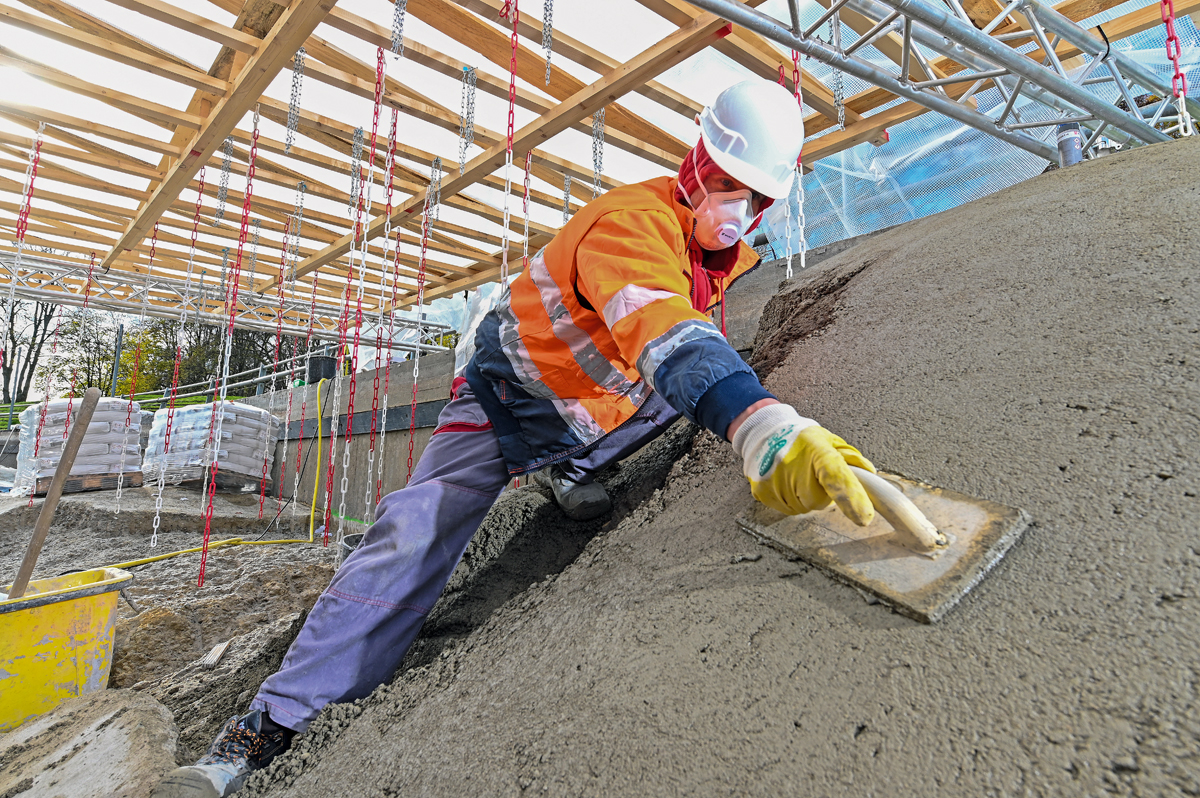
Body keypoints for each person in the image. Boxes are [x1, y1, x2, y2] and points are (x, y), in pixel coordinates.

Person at [153, 78, 877, 798]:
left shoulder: (711, 263)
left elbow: (678, 351)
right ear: (695, 166)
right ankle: (263, 731)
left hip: (586, 416)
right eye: (725, 183)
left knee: (704, 377)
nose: (736, 207)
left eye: (753, 196)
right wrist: (761, 425)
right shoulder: (631, 223)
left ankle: (568, 470)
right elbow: (662, 330)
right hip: (507, 402)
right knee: (413, 533)